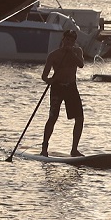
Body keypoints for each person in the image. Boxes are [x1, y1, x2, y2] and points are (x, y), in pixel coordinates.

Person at [40, 28, 87, 157]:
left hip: (71, 87)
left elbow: (81, 65)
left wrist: (71, 53)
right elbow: (44, 76)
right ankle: (44, 147)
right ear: (63, 39)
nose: (69, 42)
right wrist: (49, 80)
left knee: (79, 118)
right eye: (67, 39)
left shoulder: (77, 51)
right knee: (53, 117)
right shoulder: (54, 55)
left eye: (72, 40)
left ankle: (74, 149)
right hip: (57, 88)